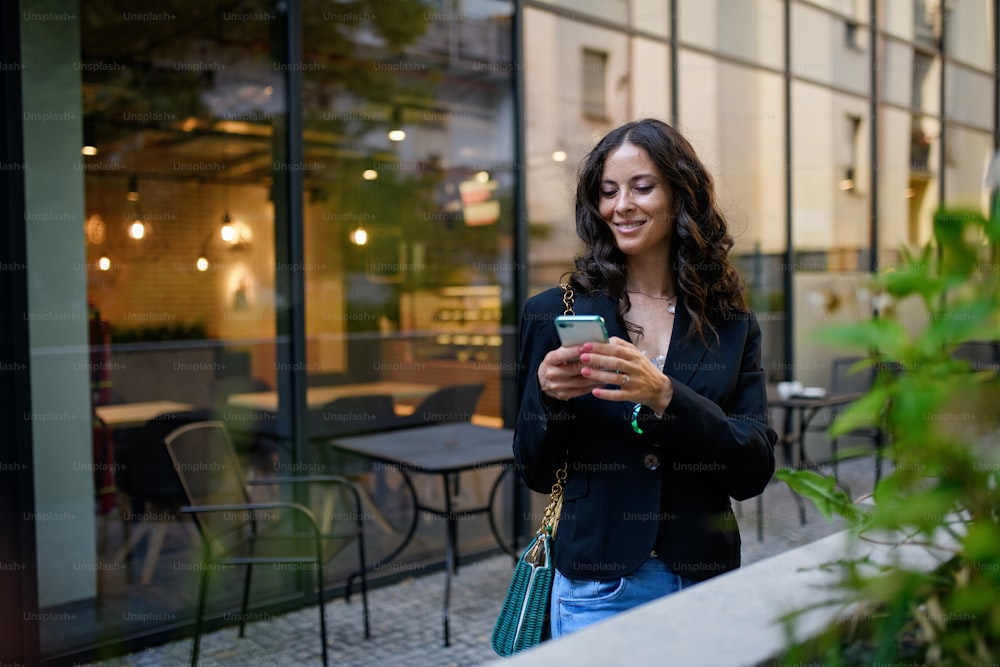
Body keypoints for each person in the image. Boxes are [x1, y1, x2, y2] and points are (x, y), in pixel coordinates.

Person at [513, 118, 777, 638]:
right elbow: (534, 470)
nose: (621, 206)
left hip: (706, 579)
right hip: (600, 587)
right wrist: (549, 400)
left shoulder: (730, 322)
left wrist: (665, 396)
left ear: (680, 196)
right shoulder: (553, 312)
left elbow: (753, 469)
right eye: (608, 192)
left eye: (642, 187)